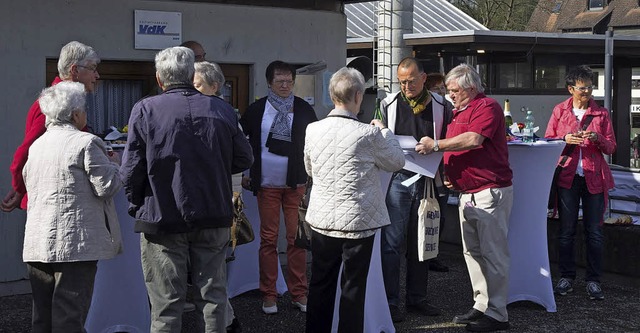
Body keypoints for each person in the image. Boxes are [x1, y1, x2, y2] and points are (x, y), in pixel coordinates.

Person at [120, 46, 253, 332]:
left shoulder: (145, 109)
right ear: (191, 73)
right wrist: (212, 166)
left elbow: (130, 170)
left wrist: (136, 205)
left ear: (159, 78)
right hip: (213, 212)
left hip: (162, 216)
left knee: (166, 305)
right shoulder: (222, 109)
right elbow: (244, 157)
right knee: (213, 298)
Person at [303, 67, 404, 333]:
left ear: (332, 95)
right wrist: (384, 131)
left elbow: (310, 169)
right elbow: (396, 161)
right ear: (358, 96)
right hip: (358, 221)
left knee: (320, 283)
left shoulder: (312, 129)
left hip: (323, 219)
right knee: (353, 287)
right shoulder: (368, 134)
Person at [417, 63, 513, 332]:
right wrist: (451, 171)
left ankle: (498, 313)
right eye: (449, 91)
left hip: (489, 191)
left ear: (471, 88)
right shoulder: (460, 110)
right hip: (467, 192)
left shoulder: (488, 107)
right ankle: (482, 304)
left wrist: (436, 146)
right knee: (472, 252)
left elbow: (473, 140)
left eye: (454, 90)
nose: (451, 95)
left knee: (493, 254)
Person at [22, 81, 123, 332]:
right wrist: (118, 165)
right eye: (84, 110)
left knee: (42, 317)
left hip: (37, 242)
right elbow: (106, 186)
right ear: (76, 114)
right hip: (75, 243)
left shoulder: (37, 146)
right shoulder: (86, 143)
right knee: (69, 315)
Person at [377, 57, 452, 322]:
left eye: (411, 80)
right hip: (398, 178)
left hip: (428, 180)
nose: (406, 86)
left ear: (423, 78)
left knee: (423, 242)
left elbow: (451, 141)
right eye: (401, 81)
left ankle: (417, 298)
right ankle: (390, 301)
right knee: (391, 244)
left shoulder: (443, 105)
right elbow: (378, 138)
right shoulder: (387, 104)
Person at [240, 60, 317, 315]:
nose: (285, 86)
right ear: (269, 83)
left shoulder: (304, 109)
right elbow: (242, 142)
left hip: (296, 183)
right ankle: (269, 294)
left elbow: (314, 144)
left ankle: (299, 293)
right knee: (269, 240)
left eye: (289, 81)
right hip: (267, 184)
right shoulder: (256, 110)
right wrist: (246, 172)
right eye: (279, 81)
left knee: (297, 240)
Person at [1, 41, 100, 213]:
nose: (97, 75)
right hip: (53, 200)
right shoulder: (57, 104)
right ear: (75, 70)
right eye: (92, 68)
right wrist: (19, 189)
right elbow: (26, 152)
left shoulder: (66, 101)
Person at [544, 65, 616, 301]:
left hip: (594, 176)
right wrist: (564, 138)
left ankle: (594, 280)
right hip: (568, 176)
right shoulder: (560, 111)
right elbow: (547, 140)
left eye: (589, 88)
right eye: (582, 89)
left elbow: (612, 147)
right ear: (571, 89)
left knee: (594, 232)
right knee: (566, 231)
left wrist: (598, 138)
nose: (587, 93)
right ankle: (566, 276)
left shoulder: (601, 114)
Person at [193, 60, 241, 333]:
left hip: (221, 200)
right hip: (207, 201)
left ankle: (227, 320)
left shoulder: (223, 114)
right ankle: (227, 320)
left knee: (215, 270)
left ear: (215, 87)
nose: (194, 90)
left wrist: (234, 199)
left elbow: (241, 158)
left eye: (198, 85)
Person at [424, 71, 455, 273]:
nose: (442, 93)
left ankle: (434, 254)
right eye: (437, 89)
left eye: (444, 89)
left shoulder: (448, 109)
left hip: (441, 169)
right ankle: (419, 254)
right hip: (423, 168)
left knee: (441, 215)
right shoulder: (424, 110)